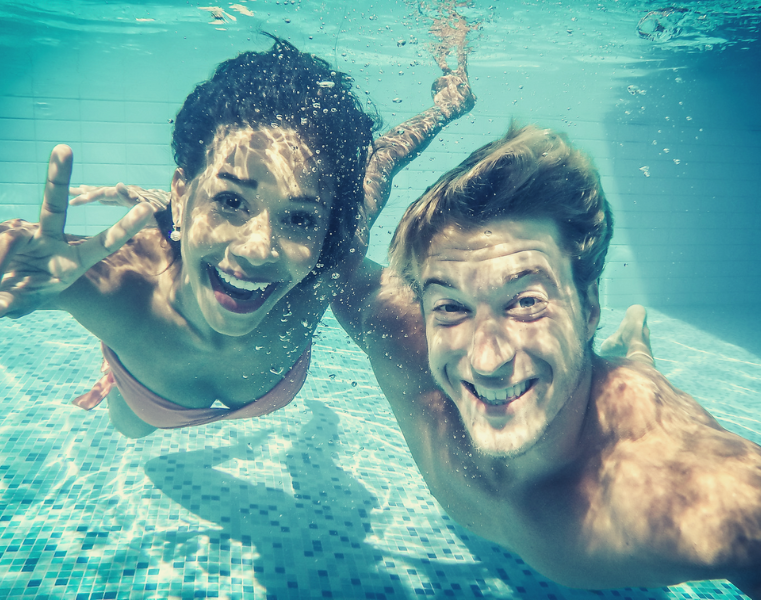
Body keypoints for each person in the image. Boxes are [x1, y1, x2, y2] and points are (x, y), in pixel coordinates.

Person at [331, 124, 761, 598]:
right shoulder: (398, 342)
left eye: (526, 302)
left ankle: (635, 339)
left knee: (638, 370)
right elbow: (335, 256)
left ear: (588, 308)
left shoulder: (670, 488)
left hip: (634, 400)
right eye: (451, 306)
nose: (487, 360)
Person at [0, 34, 476, 438]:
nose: (258, 250)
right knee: (130, 429)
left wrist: (445, 108)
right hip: (144, 395)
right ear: (182, 194)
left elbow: (384, 158)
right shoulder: (115, 286)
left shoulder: (331, 257)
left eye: (299, 218)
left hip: (220, 358)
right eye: (230, 201)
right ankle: (113, 369)